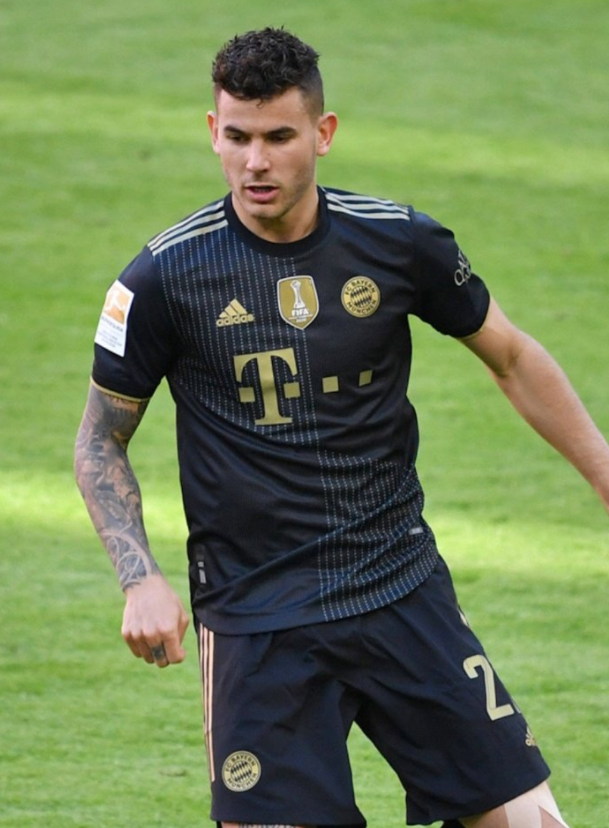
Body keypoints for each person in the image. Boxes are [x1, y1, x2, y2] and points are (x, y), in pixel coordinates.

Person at [74, 27, 609, 828]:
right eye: (237, 137)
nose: (256, 162)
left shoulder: (399, 242)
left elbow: (511, 355)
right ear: (212, 132)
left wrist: (604, 472)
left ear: (322, 134)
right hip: (258, 617)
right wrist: (138, 575)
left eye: (279, 137)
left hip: (398, 586)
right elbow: (98, 439)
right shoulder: (164, 277)